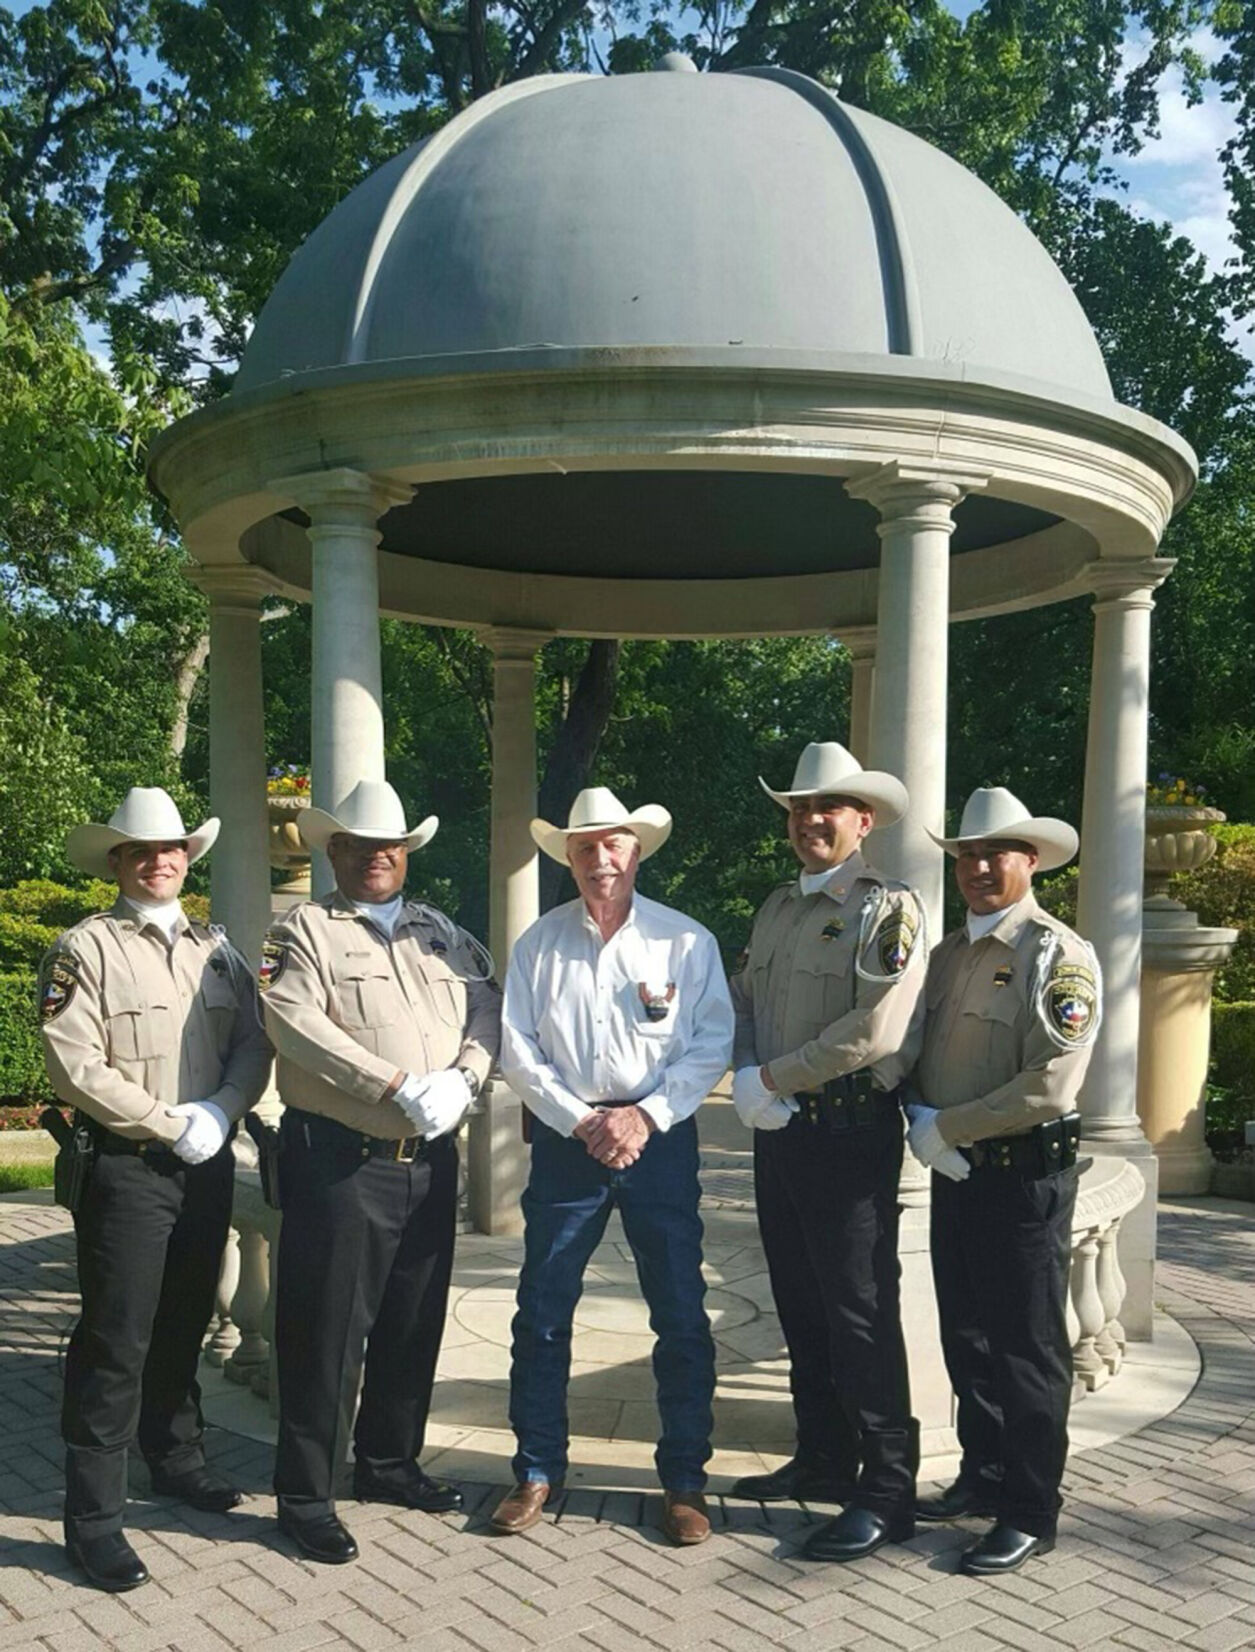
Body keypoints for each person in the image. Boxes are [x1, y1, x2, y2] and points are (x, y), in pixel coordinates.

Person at [259, 779, 500, 1565]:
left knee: (411, 1322)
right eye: (360, 846)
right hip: (342, 1161)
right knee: (325, 1334)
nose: (375, 858)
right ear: (333, 851)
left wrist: (464, 1076)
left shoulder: (442, 933)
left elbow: (487, 1008)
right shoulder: (303, 934)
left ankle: (389, 1464)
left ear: (406, 854)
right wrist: (395, 1086)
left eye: (388, 846)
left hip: (428, 1161)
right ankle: (306, 1494)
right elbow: (292, 1023)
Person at [39, 787, 272, 1593]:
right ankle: (94, 1520)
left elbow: (252, 1042)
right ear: (119, 862)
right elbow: (74, 1063)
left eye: (172, 849)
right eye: (143, 851)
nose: (160, 860)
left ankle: (175, 1461)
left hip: (204, 1161)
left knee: (183, 1318)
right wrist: (165, 1122)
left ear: (187, 859)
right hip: (129, 1168)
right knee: (116, 1338)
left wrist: (220, 1108)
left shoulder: (218, 950)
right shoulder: (86, 949)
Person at [490, 787, 733, 1547]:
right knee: (541, 1312)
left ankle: (685, 1482)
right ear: (567, 855)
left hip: (658, 1140)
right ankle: (535, 1470)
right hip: (570, 1144)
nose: (601, 857)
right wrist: (584, 1121)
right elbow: (517, 1049)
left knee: (681, 1316)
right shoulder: (538, 945)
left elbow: (710, 1042)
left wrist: (643, 1117)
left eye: (614, 844)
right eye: (585, 845)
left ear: (637, 852)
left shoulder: (685, 942)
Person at [728, 741, 926, 1563]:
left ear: (862, 821)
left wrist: (771, 1074)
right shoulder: (776, 906)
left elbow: (876, 1030)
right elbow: (744, 997)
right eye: (800, 809)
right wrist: (744, 1072)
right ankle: (821, 1456)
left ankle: (886, 1489)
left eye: (828, 808)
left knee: (859, 1310)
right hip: (782, 1130)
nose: (811, 820)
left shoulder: (890, 911)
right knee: (800, 1299)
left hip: (847, 1133)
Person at [907, 787, 1100, 1576]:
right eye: (968, 854)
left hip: (1022, 1181)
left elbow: (1048, 1086)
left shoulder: (1056, 955)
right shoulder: (950, 955)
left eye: (997, 853)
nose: (981, 866)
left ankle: (1029, 1507)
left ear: (1030, 860)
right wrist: (918, 1113)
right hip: (959, 1176)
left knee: (1025, 1349)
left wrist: (944, 1127)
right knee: (969, 1338)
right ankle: (982, 1478)